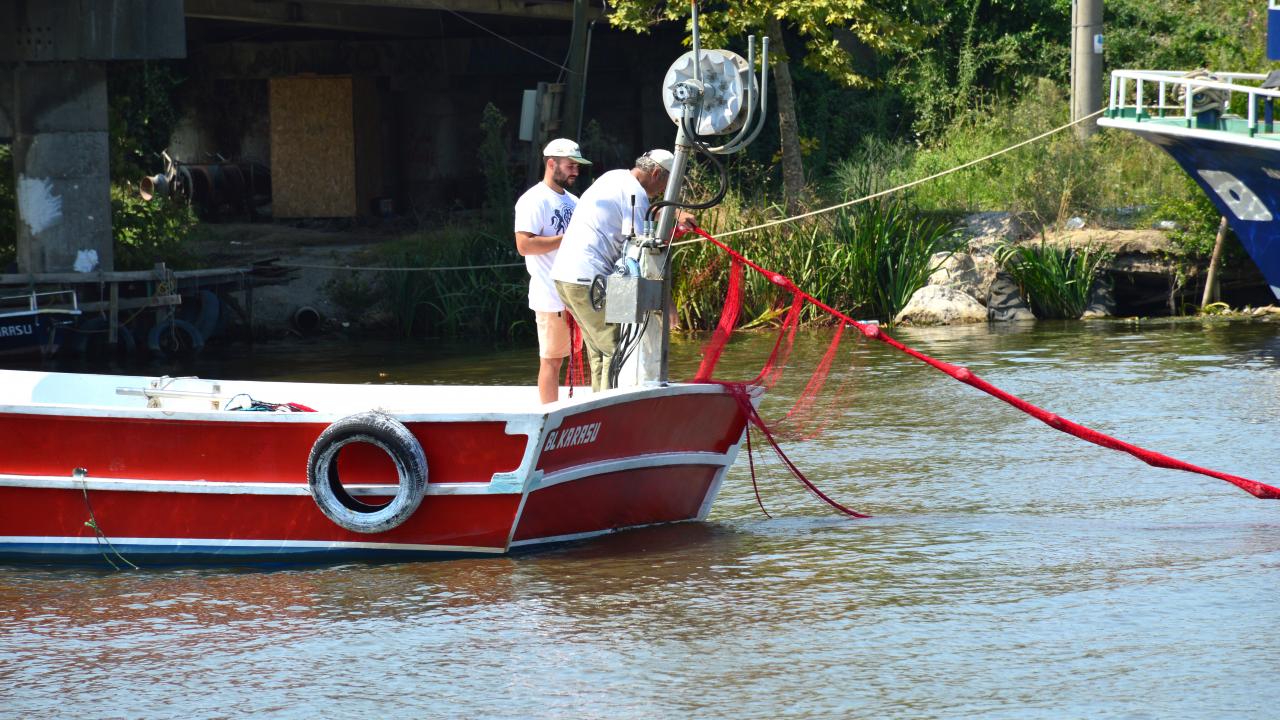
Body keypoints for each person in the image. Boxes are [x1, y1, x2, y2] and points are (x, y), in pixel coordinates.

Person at [550, 149, 694, 392]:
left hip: (565, 277)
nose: (663, 192)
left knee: (599, 350)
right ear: (656, 173)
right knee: (616, 346)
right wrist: (666, 301)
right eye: (665, 184)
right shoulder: (635, 193)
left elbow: (640, 211)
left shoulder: (614, 177)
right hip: (587, 279)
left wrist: (674, 213)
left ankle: (598, 401)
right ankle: (610, 405)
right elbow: (640, 252)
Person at [514, 138, 591, 404]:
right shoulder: (533, 200)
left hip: (577, 292)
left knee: (586, 356)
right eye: (571, 166)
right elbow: (524, 245)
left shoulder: (574, 201)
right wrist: (566, 239)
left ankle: (581, 409)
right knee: (552, 360)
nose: (576, 171)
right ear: (551, 164)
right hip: (550, 295)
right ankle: (549, 414)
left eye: (577, 166)